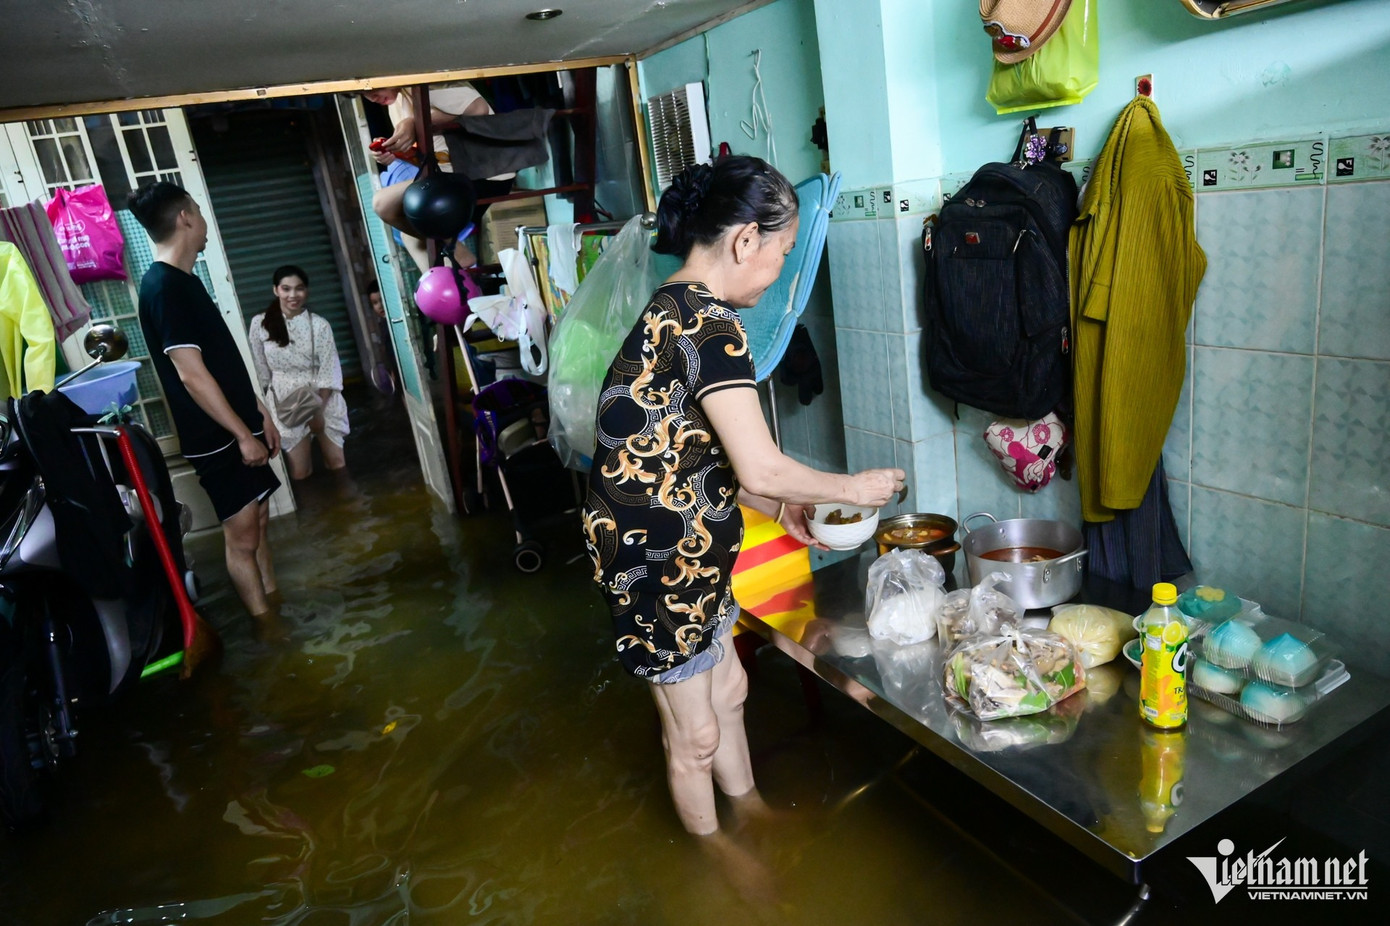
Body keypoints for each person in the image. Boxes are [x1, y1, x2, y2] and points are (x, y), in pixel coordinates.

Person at [581, 157, 905, 848]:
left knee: (728, 692)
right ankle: (720, 862)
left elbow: (687, 446)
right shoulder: (709, 325)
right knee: (693, 734)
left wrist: (772, 501)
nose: (780, 273)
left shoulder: (674, 307)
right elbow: (759, 459)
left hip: (686, 551)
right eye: (782, 254)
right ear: (743, 241)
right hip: (657, 565)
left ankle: (749, 812)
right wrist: (853, 489)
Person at [128, 181, 283, 633]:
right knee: (241, 536)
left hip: (239, 426)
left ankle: (276, 605)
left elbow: (221, 361)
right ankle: (269, 632)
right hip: (216, 438)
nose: (203, 217)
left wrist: (260, 415)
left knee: (260, 518)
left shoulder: (184, 280)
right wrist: (240, 435)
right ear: (185, 218)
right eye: (198, 208)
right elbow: (191, 374)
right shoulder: (162, 287)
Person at [362, 82, 515, 270]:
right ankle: (454, 289)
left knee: (382, 204)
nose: (371, 97)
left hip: (484, 173)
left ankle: (453, 247)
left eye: (370, 88)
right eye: (361, 93)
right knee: (408, 237)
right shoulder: (395, 103)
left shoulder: (424, 83)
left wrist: (413, 123)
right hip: (449, 176)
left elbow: (478, 108)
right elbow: (424, 156)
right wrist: (397, 154)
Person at [248, 265, 349, 480]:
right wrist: (265, 414)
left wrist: (317, 413)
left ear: (307, 291)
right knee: (300, 473)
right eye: (286, 289)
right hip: (285, 403)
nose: (293, 295)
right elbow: (260, 372)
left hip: (323, 399)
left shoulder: (319, 325)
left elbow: (329, 371)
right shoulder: (260, 324)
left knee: (337, 464)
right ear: (276, 290)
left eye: (299, 289)